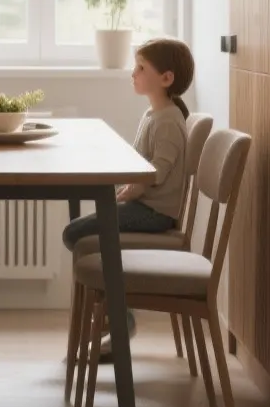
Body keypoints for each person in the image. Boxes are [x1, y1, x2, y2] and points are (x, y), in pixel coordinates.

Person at [63, 37, 195, 353]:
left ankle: (118, 317)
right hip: (145, 206)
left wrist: (130, 192)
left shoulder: (167, 121)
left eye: (141, 68)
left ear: (166, 78)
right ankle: (112, 314)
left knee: (75, 233)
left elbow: (156, 172)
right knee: (79, 235)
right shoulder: (154, 115)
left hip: (154, 214)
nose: (133, 73)